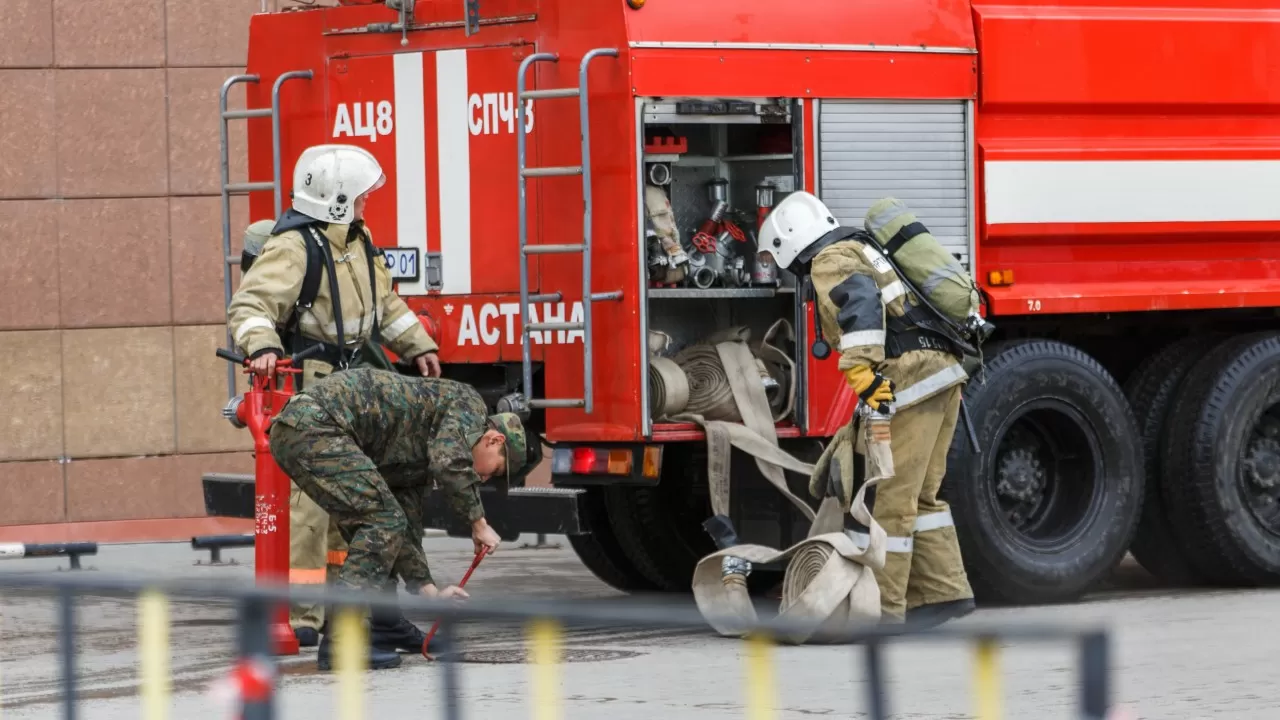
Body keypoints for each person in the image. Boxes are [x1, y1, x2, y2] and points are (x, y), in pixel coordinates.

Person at [227, 143, 443, 651]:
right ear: (338, 199)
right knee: (308, 505)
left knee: (350, 503)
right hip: (309, 384)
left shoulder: (357, 241)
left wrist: (418, 346)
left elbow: (384, 303)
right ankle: (302, 615)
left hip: (350, 386)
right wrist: (260, 345)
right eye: (362, 196)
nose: (369, 203)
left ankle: (342, 609)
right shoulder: (295, 247)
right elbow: (251, 305)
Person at [757, 191, 976, 628]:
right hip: (943, 374)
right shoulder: (865, 248)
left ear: (789, 245)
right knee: (922, 495)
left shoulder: (830, 259)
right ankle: (941, 595)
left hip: (907, 381)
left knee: (891, 498)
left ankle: (883, 611)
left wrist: (861, 371)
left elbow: (859, 306)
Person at [267, 368, 538, 671]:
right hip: (314, 426)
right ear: (494, 439)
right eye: (496, 470)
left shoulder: (419, 452)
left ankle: (386, 623)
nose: (484, 477)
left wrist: (430, 592)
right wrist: (478, 523)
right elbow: (449, 462)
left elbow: (404, 530)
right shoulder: (468, 405)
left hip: (307, 431)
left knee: (386, 523)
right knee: (381, 521)